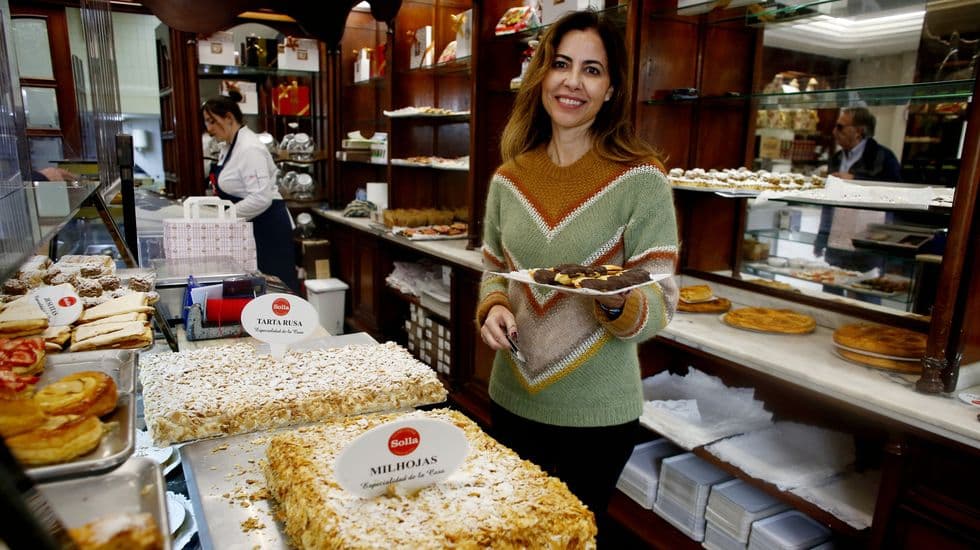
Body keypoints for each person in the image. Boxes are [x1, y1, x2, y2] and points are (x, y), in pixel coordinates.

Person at [476, 10, 679, 544]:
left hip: (599, 416)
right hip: (513, 395)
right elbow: (495, 268)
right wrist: (494, 306)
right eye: (562, 64)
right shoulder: (509, 177)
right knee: (513, 533)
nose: (573, 81)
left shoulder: (642, 179)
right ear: (542, 74)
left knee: (571, 538)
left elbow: (662, 298)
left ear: (612, 89)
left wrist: (614, 300)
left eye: (593, 70)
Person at [201, 91, 299, 292]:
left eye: (212, 121)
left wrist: (224, 216)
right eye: (206, 122)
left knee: (277, 292)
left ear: (229, 118)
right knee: (258, 291)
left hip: (268, 229)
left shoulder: (249, 149)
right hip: (252, 228)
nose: (209, 129)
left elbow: (260, 198)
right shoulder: (228, 147)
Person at [828, 107, 902, 182]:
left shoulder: (883, 157)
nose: (834, 131)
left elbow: (896, 186)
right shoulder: (835, 158)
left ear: (858, 131)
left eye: (839, 127)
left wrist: (855, 179)